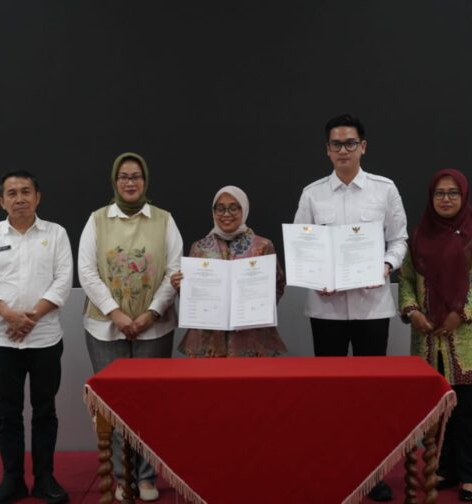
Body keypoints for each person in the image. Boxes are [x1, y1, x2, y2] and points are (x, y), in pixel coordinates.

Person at [292, 113, 407, 502]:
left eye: (350, 143)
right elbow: (302, 247)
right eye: (336, 144)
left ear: (363, 147)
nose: (344, 150)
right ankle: (335, 469)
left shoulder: (384, 190)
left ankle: (374, 473)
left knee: (371, 395)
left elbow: (400, 240)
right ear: (327, 150)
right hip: (326, 310)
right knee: (331, 395)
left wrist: (385, 266)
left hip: (372, 307)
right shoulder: (312, 194)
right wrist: (313, 276)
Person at [78, 152, 182, 502]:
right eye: (123, 176)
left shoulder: (164, 220)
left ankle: (147, 477)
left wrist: (151, 312)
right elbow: (87, 272)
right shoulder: (97, 220)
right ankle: (122, 478)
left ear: (145, 180)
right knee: (114, 406)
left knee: (149, 404)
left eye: (136, 176)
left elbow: (174, 271)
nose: (130, 182)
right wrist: (116, 314)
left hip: (154, 327)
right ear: (114, 181)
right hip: (105, 329)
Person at [399, 169, 472, 502]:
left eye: (453, 193)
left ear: (463, 196)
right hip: (429, 337)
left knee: (470, 410)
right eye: (440, 193)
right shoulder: (419, 236)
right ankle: (446, 467)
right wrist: (412, 311)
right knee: (438, 409)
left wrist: (462, 312)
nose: (446, 199)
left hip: (469, 336)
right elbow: (405, 280)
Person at [0, 171, 73, 504]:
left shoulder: (56, 234)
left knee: (45, 410)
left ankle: (45, 478)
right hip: (2, 339)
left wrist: (30, 318)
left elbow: (62, 282)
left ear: (37, 197)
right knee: (8, 413)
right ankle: (12, 479)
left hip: (45, 338)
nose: (20, 199)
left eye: (26, 192)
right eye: (12, 193)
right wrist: (10, 315)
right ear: (1, 201)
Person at [172, 185, 288, 357]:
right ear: (213, 212)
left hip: (250, 337)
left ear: (244, 209)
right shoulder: (199, 248)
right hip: (208, 340)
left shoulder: (262, 246)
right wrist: (180, 286)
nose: (226, 214)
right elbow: (194, 295)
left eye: (233, 208)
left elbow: (278, 285)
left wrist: (259, 306)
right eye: (220, 208)